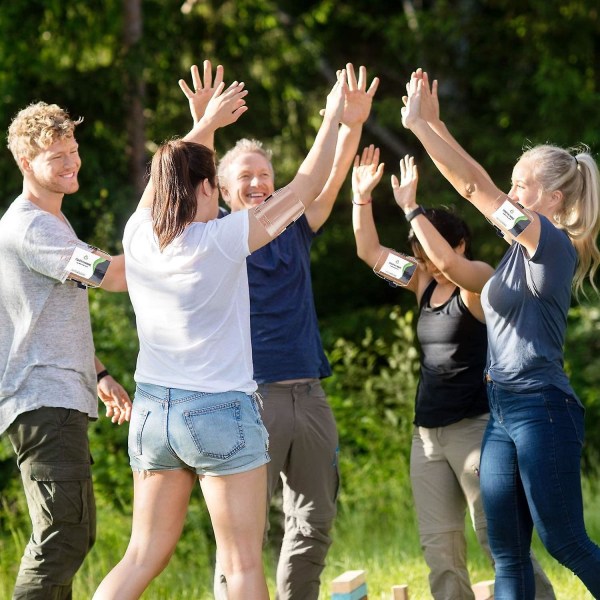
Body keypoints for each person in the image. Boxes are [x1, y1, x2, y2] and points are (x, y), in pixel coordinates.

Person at [92, 63, 347, 600]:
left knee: (140, 556)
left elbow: (167, 178)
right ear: (209, 189)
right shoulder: (222, 240)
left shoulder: (137, 235)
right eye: (213, 187)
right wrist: (335, 120)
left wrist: (203, 124)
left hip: (152, 413)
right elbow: (303, 187)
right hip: (217, 412)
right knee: (244, 565)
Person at [402, 68, 600, 598]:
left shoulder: (548, 244)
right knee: (507, 551)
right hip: (503, 409)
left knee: (565, 542)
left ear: (553, 199)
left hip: (542, 407)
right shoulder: (513, 257)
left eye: (521, 186)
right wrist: (435, 125)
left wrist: (422, 127)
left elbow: (474, 186)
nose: (510, 194)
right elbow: (451, 253)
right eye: (511, 184)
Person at [351, 145, 556, 599]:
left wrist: (411, 208)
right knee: (439, 549)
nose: (421, 262)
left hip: (476, 430)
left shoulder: (478, 281)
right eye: (417, 255)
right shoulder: (423, 283)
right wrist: (361, 199)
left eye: (425, 251)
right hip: (426, 438)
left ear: (457, 242)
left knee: (496, 537)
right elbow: (368, 251)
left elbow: (446, 263)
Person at [212, 63, 378, 599]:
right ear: (224, 193)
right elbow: (310, 178)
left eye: (265, 175)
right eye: (246, 178)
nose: (259, 183)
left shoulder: (295, 229)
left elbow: (323, 186)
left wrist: (350, 126)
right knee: (244, 535)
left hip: (309, 393)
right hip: (250, 398)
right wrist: (329, 119)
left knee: (314, 520)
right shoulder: (218, 237)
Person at [0, 101, 132, 600]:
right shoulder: (33, 226)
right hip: (42, 403)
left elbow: (37, 322)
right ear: (26, 164)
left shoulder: (52, 223)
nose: (71, 162)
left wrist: (98, 375)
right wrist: (181, 250)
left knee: (72, 534)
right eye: (57, 156)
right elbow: (111, 276)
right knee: (62, 537)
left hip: (57, 397)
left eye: (72, 150)